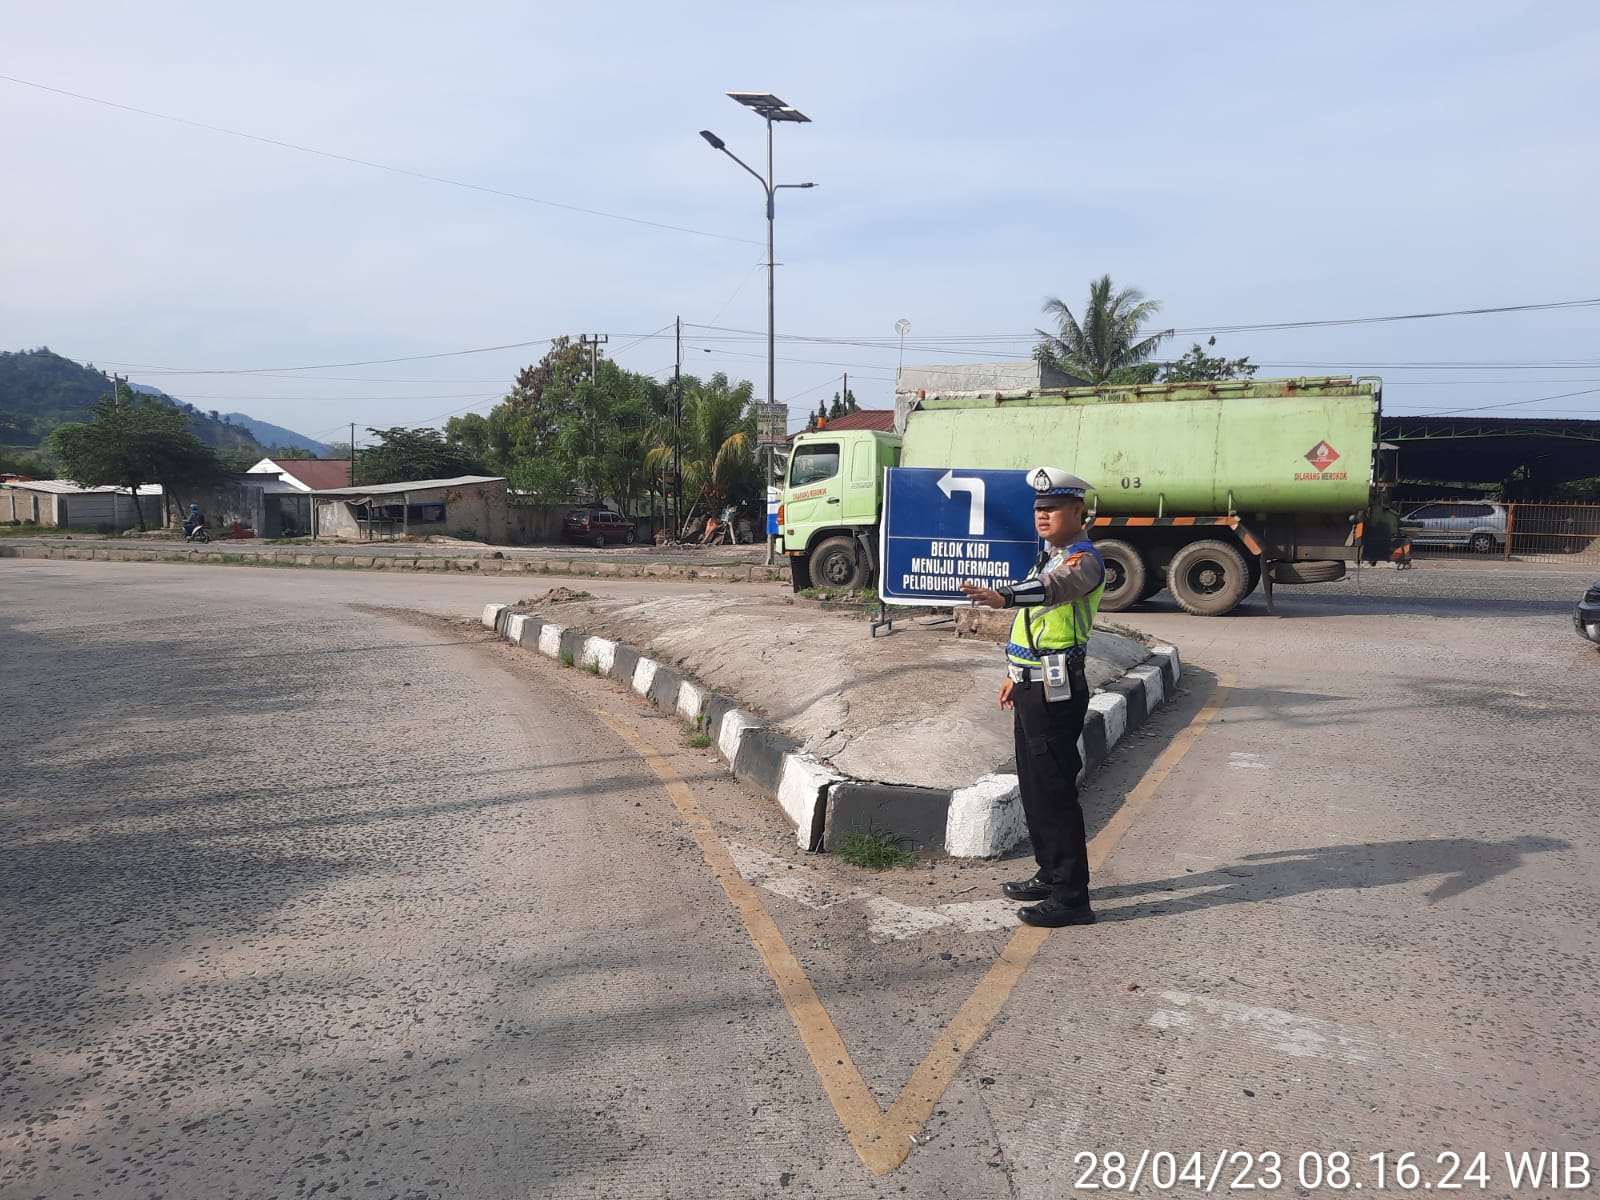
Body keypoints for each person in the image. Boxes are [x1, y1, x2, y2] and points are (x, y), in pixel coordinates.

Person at [960, 466, 1105, 928]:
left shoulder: (1083, 562)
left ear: (1078, 512)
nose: (1043, 515)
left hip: (1056, 689)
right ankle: (1049, 872)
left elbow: (1052, 593)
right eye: (1039, 508)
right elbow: (1034, 628)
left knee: (1055, 789)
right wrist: (1012, 673)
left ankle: (1070, 897)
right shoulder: (1050, 556)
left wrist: (1003, 596)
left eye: (1053, 508)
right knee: (1034, 785)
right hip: (1031, 683)